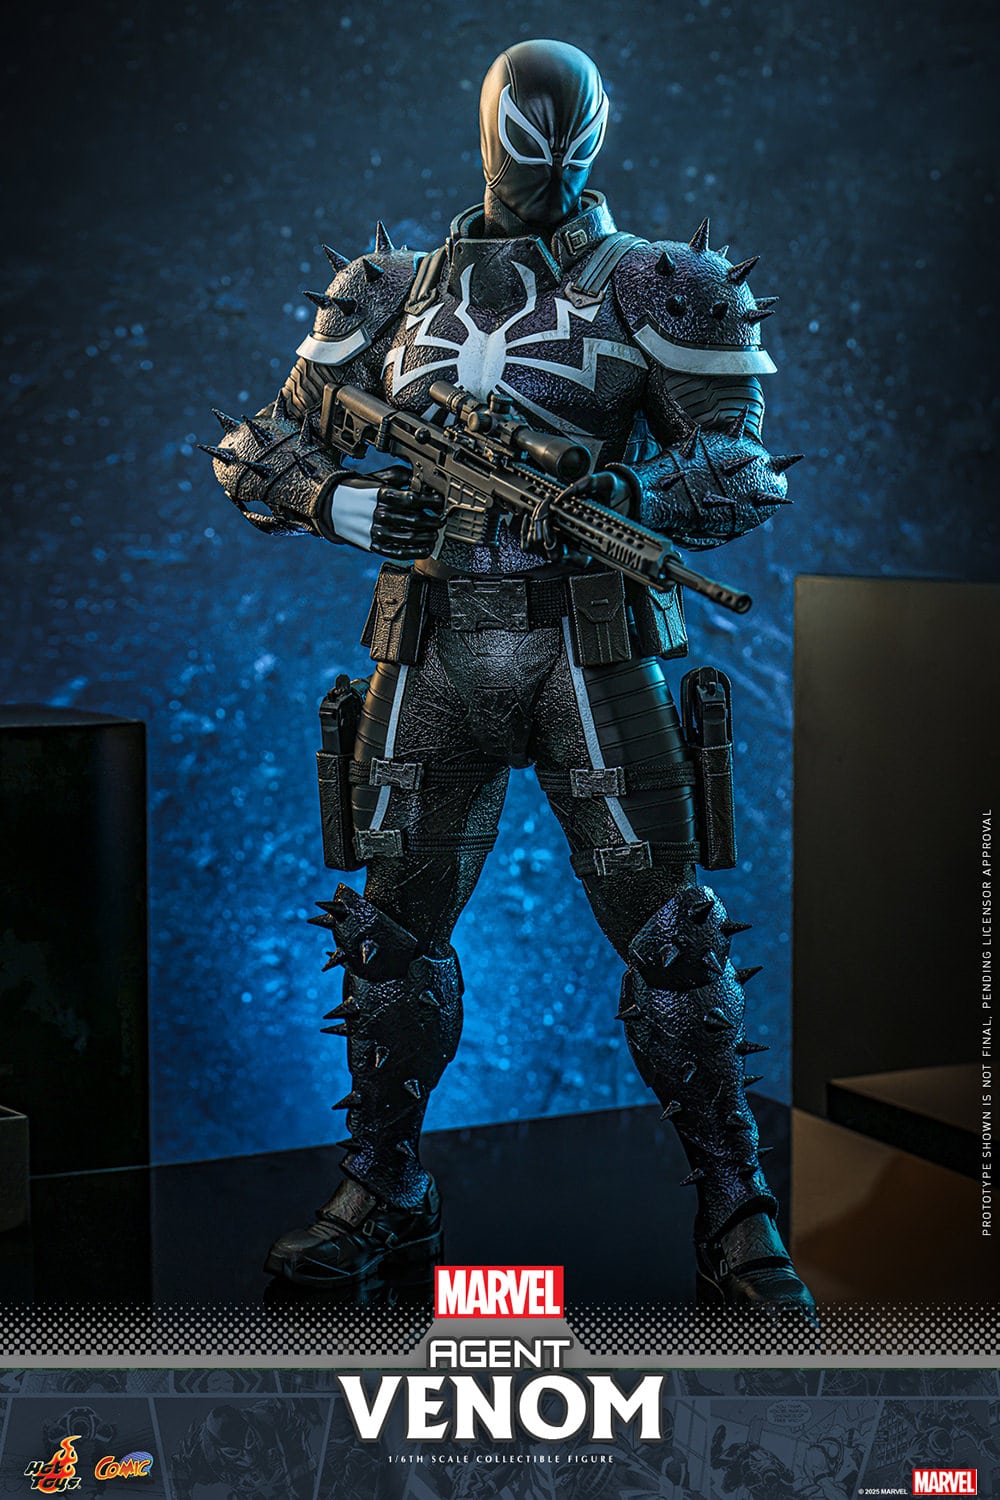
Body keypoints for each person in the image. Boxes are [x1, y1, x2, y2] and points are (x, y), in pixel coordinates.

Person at [203, 38, 812, 1315]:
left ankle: (733, 1199)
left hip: (590, 645)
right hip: (431, 645)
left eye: (562, 129)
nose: (541, 155)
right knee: (387, 935)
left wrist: (625, 491)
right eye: (522, 128)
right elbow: (257, 448)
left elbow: (742, 468)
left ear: (597, 132)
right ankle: (383, 1183)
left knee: (671, 936)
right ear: (485, 128)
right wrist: (341, 505)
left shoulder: (660, 284)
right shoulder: (388, 290)